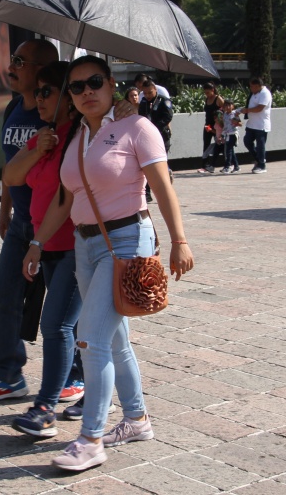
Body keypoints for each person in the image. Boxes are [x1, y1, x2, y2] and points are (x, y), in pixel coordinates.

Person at [23, 55, 194, 472]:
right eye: (77, 87)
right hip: (85, 245)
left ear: (111, 83)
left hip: (127, 239)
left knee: (91, 337)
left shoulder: (136, 127)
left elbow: (162, 185)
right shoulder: (78, 135)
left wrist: (180, 240)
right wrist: (37, 242)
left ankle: (91, 438)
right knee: (114, 339)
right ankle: (136, 419)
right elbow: (66, 198)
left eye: (94, 82)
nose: (87, 92)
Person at [0, 38, 59, 402]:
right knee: (5, 295)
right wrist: (4, 208)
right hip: (21, 222)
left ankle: (76, 373)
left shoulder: (53, 112)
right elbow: (8, 167)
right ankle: (9, 374)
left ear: (40, 69)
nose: (11, 67)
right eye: (12, 60)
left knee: (62, 305)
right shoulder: (12, 109)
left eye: (19, 61)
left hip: (53, 225)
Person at [2, 61, 83, 437]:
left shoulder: (81, 135)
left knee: (56, 325)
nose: (38, 98)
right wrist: (38, 148)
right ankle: (103, 393)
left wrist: (34, 243)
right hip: (48, 245)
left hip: (73, 246)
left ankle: (45, 407)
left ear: (67, 96)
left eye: (47, 91)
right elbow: (11, 175)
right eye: (37, 92)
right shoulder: (45, 135)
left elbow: (64, 199)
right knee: (86, 328)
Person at [138, 79, 174, 202]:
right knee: (147, 164)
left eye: (150, 93)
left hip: (162, 137)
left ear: (155, 90)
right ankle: (147, 193)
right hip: (147, 138)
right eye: (145, 93)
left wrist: (154, 127)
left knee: (159, 165)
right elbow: (141, 116)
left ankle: (165, 187)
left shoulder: (164, 101)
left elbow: (168, 117)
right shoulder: (143, 102)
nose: (147, 95)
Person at [238, 77, 272, 174]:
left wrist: (247, 110)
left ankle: (262, 165)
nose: (250, 88)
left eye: (252, 86)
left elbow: (260, 108)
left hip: (261, 125)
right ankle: (258, 159)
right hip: (252, 124)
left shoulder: (265, 93)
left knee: (260, 145)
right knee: (247, 141)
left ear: (258, 86)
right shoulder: (253, 93)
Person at [199, 82, 223, 173]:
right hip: (208, 125)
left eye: (208, 92)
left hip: (217, 126)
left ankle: (229, 163)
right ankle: (205, 165)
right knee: (206, 144)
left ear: (213, 90)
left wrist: (221, 126)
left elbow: (225, 110)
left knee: (220, 144)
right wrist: (207, 127)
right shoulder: (207, 99)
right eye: (205, 93)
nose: (207, 95)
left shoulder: (218, 99)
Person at [219, 99, 241, 174]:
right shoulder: (224, 114)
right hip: (227, 134)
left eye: (229, 105)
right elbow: (225, 126)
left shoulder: (235, 113)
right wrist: (222, 135)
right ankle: (236, 166)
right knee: (230, 151)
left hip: (233, 134)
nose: (227, 107)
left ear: (233, 106)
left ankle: (227, 166)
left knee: (228, 151)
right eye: (225, 106)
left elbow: (240, 123)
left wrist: (236, 123)